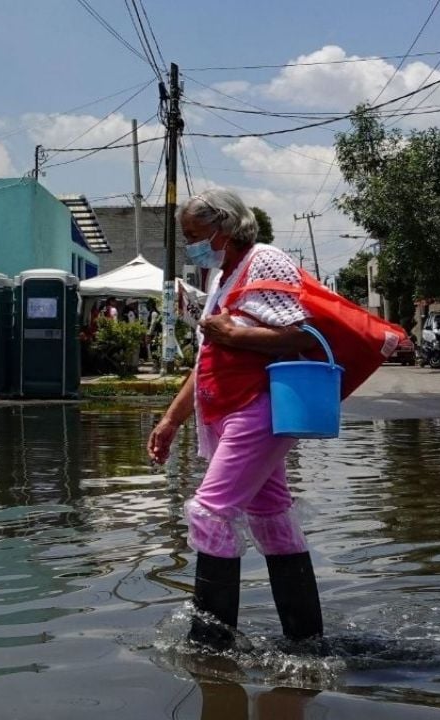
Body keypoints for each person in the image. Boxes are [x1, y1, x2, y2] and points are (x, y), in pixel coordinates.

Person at [147, 188, 324, 650]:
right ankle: (305, 640)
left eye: (195, 235)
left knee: (210, 512)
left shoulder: (265, 260)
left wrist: (234, 332)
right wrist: (170, 421)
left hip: (258, 406)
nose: (191, 246)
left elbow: (298, 335)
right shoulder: (220, 278)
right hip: (230, 410)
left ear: (223, 227)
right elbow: (205, 359)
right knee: (270, 516)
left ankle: (211, 646)